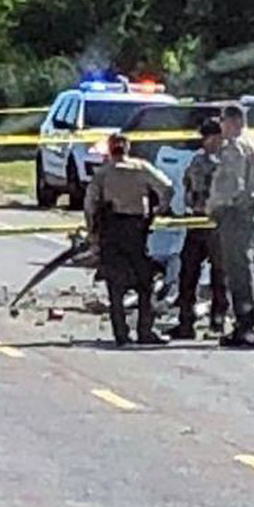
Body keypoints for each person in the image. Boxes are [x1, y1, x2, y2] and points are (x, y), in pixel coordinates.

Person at [85, 131, 174, 346]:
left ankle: (121, 334)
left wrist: (93, 232)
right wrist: (158, 210)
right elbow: (167, 188)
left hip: (111, 231)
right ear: (127, 148)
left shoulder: (103, 173)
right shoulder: (141, 168)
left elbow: (90, 204)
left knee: (115, 285)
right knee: (145, 282)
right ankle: (145, 331)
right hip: (137, 230)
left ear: (109, 149)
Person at [207, 104, 254, 348]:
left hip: (235, 214)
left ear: (231, 121)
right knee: (241, 270)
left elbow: (231, 185)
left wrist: (214, 206)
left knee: (237, 272)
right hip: (248, 213)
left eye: (222, 121)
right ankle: (245, 325)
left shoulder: (236, 147)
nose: (220, 126)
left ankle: (246, 327)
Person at [171, 119, 230, 340]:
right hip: (197, 222)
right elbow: (189, 186)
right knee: (188, 272)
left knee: (219, 275)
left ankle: (217, 322)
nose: (206, 142)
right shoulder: (198, 160)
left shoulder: (227, 161)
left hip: (217, 222)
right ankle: (186, 322)